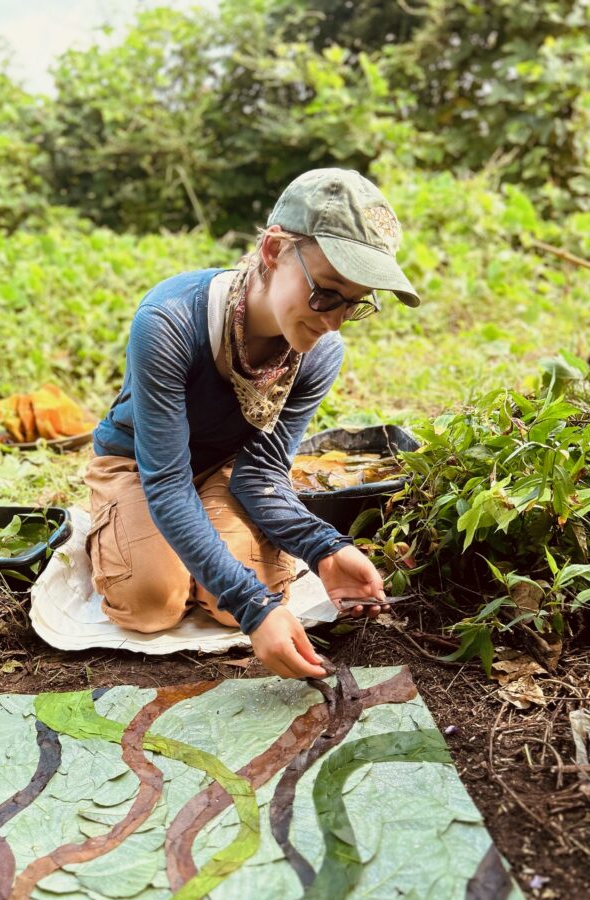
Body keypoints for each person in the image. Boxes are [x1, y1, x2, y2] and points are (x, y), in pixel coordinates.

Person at [85, 168, 419, 679]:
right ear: (272, 251)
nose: (331, 320)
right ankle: (114, 524)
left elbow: (260, 476)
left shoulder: (320, 353)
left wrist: (326, 550)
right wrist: (256, 609)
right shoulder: (170, 321)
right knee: (152, 603)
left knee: (231, 603)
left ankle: (176, 545)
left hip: (224, 468)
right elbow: (168, 482)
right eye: (326, 293)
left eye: (354, 305)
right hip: (143, 462)